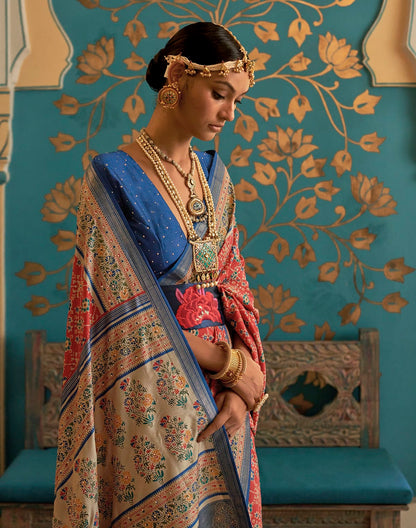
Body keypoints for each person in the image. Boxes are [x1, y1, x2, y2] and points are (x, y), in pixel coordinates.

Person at [53, 21, 267, 528]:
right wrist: (226, 364)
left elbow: (233, 287)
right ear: (176, 76)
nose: (229, 114)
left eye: (236, 100)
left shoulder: (216, 176)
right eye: (219, 95)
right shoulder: (112, 177)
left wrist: (242, 384)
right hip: (153, 394)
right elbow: (124, 311)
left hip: (224, 396)